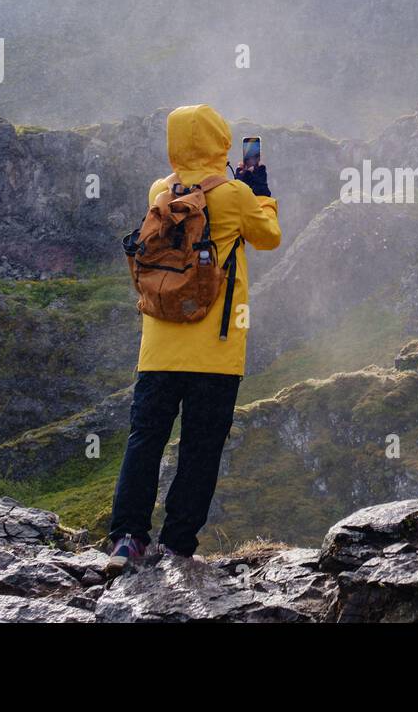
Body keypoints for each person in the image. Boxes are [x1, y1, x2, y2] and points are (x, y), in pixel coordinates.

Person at [106, 104, 280, 571]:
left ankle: (126, 539)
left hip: (159, 349)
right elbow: (268, 237)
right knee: (200, 448)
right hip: (216, 353)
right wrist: (261, 192)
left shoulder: (160, 191)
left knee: (145, 439)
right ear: (220, 139)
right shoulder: (236, 193)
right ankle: (178, 545)